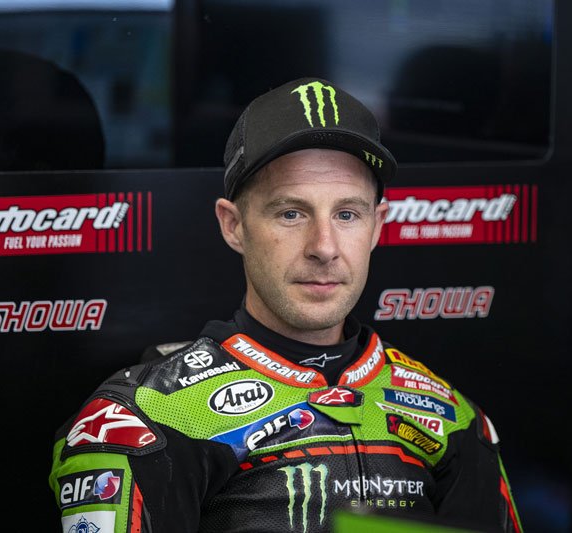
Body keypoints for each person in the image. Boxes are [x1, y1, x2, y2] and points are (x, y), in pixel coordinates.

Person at [49, 78, 522, 533]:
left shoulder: (452, 419)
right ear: (233, 225)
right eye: (291, 213)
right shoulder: (143, 421)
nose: (324, 247)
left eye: (347, 214)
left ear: (378, 225)